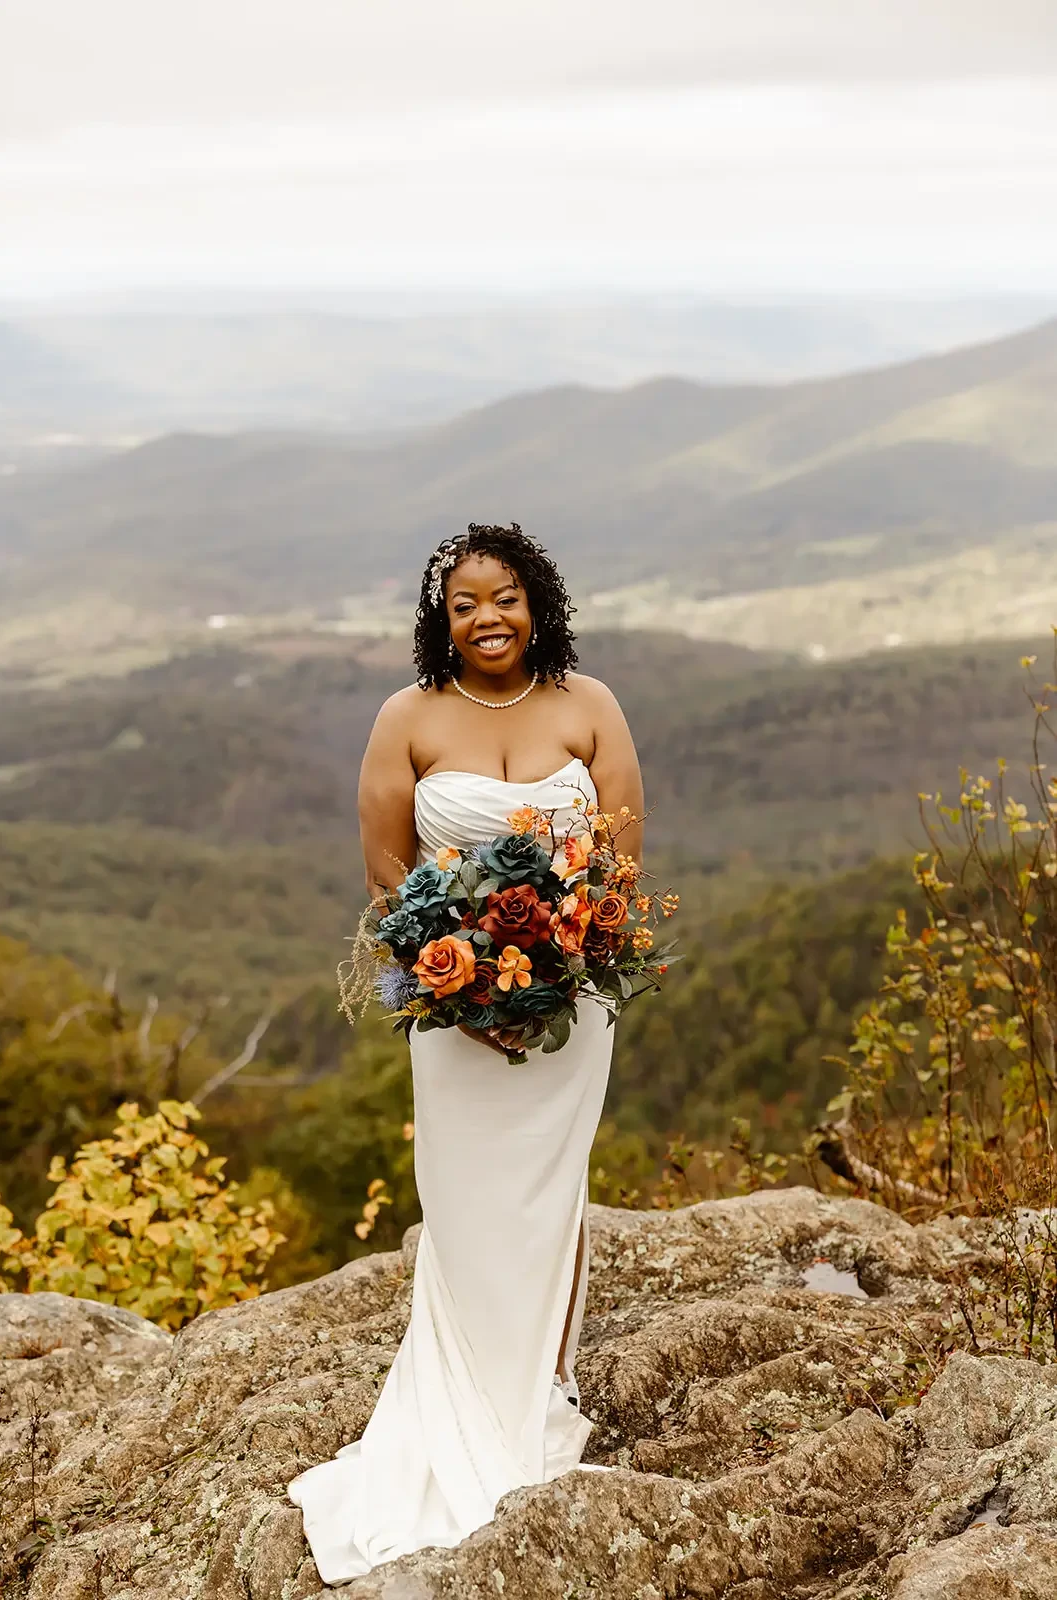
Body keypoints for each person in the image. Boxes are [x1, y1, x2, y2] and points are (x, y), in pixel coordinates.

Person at [288, 522, 644, 1584]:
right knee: (466, 1197)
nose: (484, 618)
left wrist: (562, 963)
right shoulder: (405, 717)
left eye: (503, 597)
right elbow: (386, 879)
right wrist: (452, 992)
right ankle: (461, 1395)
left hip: (571, 1003)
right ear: (438, 621)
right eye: (461, 605)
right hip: (449, 1009)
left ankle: (545, 1383)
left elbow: (621, 861)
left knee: (550, 1189)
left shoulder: (591, 705)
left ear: (536, 601)